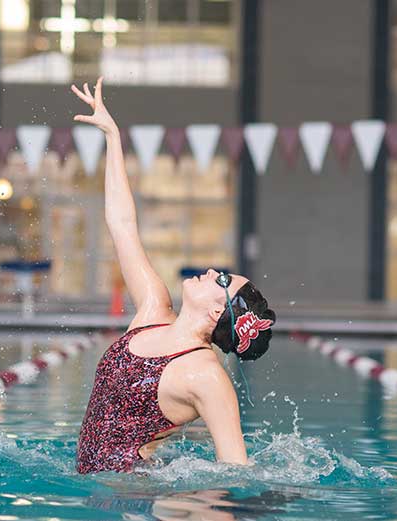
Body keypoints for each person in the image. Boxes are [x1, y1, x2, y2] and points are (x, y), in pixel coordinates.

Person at [72, 78, 276, 474]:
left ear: (220, 313)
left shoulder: (206, 375)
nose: (214, 271)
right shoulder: (152, 308)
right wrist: (113, 139)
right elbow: (122, 224)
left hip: (140, 502)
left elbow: (235, 471)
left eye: (222, 281)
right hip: (101, 499)